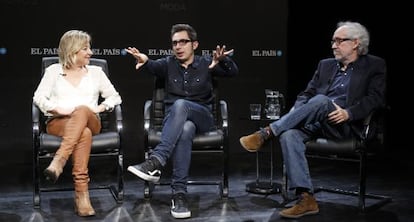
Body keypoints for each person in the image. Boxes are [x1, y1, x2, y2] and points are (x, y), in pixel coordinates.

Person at [239, 21, 386, 219]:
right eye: (332, 41)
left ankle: (266, 133)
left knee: (322, 100)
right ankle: (306, 198)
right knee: (290, 134)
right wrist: (298, 112)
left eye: (339, 41)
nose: (333, 45)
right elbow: (305, 94)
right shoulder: (325, 65)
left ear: (355, 43)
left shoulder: (374, 65)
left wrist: (348, 113)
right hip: (317, 122)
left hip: (347, 125)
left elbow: (376, 98)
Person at [125, 23, 238, 219]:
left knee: (180, 105)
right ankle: (179, 195)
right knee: (185, 129)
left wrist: (223, 60)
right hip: (177, 123)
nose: (178, 46)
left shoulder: (206, 63)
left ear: (194, 44)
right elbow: (150, 65)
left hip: (204, 118)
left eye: (183, 42)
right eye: (174, 43)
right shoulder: (167, 64)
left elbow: (232, 72)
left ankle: (157, 160)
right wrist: (144, 60)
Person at [33, 30, 122, 217]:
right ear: (72, 50)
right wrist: (58, 109)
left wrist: (99, 108)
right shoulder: (53, 71)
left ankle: (59, 160)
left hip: (91, 121)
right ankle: (82, 195)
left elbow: (114, 97)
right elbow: (39, 98)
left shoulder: (96, 72)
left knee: (82, 110)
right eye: (85, 48)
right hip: (59, 122)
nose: (90, 52)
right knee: (84, 134)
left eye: (89, 48)